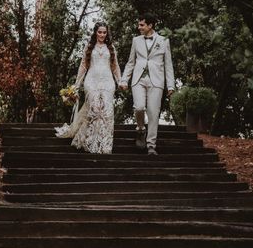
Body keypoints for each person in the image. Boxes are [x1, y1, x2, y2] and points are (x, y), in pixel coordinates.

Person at [55, 22, 121, 154]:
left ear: (107, 33)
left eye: (104, 32)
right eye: (99, 32)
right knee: (95, 108)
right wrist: (76, 85)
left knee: (106, 112)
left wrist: (120, 81)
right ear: (95, 32)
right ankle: (90, 142)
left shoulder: (111, 48)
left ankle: (104, 144)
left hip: (108, 82)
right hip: (91, 81)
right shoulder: (89, 47)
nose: (102, 35)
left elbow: (115, 67)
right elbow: (83, 66)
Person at [119, 13, 175, 155]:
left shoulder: (163, 41)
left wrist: (170, 85)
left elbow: (168, 65)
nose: (139, 27)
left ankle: (151, 145)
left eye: (142, 25)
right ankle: (140, 129)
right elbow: (131, 62)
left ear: (150, 25)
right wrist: (124, 79)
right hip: (138, 79)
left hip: (156, 81)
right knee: (138, 107)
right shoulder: (136, 40)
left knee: (153, 113)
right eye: (139, 25)